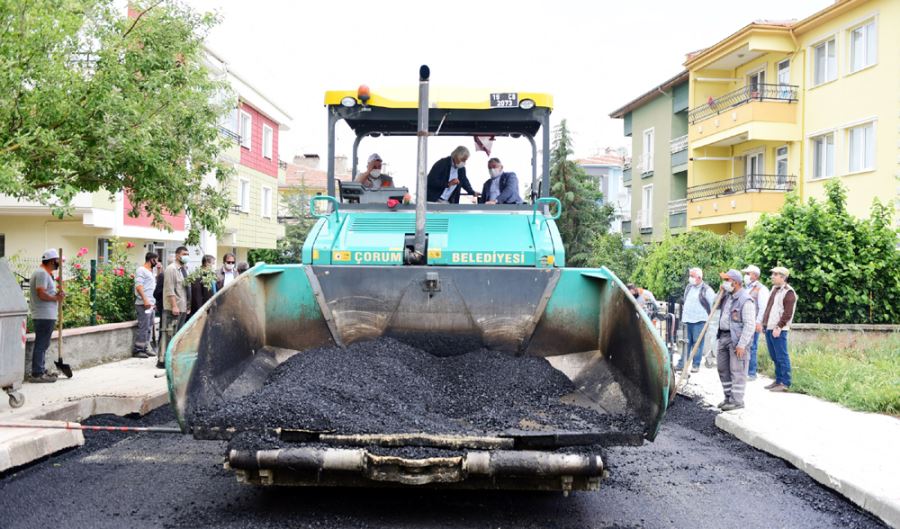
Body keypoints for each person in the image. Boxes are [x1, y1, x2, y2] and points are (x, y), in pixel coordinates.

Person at [715, 269, 756, 411]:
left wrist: (742, 345)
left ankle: (737, 400)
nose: (725, 283)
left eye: (727, 280)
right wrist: (720, 292)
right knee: (722, 368)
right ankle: (728, 397)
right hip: (723, 336)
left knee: (737, 371)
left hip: (737, 340)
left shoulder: (746, 300)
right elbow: (713, 305)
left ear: (736, 283)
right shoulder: (726, 296)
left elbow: (750, 325)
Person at [28, 249, 65, 383]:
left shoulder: (45, 273)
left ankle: (41, 370)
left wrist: (57, 295)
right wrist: (56, 298)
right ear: (50, 261)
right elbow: (41, 294)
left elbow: (47, 292)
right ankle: (37, 374)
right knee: (41, 344)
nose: (58, 264)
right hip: (43, 315)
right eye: (57, 261)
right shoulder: (42, 273)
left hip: (45, 314)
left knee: (43, 344)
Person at [761, 266, 797, 393]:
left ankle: (785, 382)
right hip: (770, 327)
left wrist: (779, 326)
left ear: (782, 277)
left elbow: (787, 313)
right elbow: (769, 308)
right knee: (774, 355)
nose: (772, 276)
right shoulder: (774, 289)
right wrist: (764, 324)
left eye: (775, 274)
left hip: (779, 329)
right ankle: (778, 380)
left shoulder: (788, 292)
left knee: (782, 356)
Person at [677, 267, 716, 373]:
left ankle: (695, 365)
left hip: (700, 321)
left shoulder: (707, 290)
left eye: (692, 276)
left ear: (699, 277)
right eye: (690, 276)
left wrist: (709, 320)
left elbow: (713, 305)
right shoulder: (689, 287)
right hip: (687, 319)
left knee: (697, 344)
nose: (690, 278)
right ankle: (682, 364)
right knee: (686, 343)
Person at [159, 246, 190, 369]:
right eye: (184, 254)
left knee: (177, 335)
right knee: (168, 334)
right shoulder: (171, 269)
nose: (186, 256)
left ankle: (172, 359)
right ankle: (162, 360)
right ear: (177, 255)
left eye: (187, 254)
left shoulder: (183, 269)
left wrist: (187, 305)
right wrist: (174, 306)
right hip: (173, 308)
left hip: (182, 307)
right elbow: (169, 289)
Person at [742, 265, 770, 381]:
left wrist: (759, 322)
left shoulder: (761, 289)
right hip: (744, 322)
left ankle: (752, 373)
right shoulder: (747, 288)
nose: (746, 276)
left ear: (755, 275)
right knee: (744, 346)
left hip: (753, 323)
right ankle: (745, 371)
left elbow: (763, 307)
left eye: (748, 274)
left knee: (752, 347)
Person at [133, 252, 159, 359]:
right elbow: (139, 287)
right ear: (152, 259)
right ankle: (138, 350)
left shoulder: (151, 271)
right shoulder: (141, 270)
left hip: (151, 304)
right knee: (143, 327)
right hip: (143, 304)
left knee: (149, 327)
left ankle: (146, 348)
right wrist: (145, 300)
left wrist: (153, 302)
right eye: (156, 260)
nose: (157, 262)